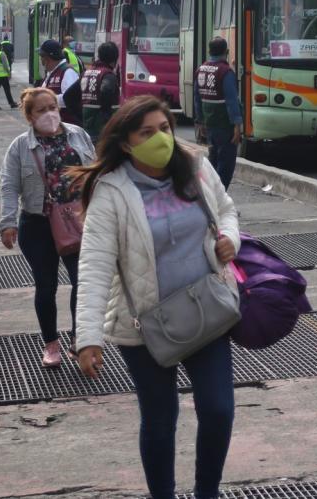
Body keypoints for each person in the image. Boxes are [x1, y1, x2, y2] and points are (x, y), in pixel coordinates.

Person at [74, 95, 240, 499]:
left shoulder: (196, 166)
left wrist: (228, 239)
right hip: (145, 324)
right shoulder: (111, 191)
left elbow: (228, 209)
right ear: (127, 143)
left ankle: (207, 492)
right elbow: (94, 266)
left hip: (207, 309)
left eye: (164, 128)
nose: (160, 138)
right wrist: (88, 337)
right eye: (146, 132)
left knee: (218, 410)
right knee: (160, 419)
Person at [0, 88, 95, 367]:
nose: (49, 114)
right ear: (29, 116)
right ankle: (51, 344)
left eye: (52, 107)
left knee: (83, 282)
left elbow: (96, 173)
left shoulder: (78, 135)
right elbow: (9, 186)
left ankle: (79, 339)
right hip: (38, 224)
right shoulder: (20, 146)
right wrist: (7, 223)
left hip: (77, 221)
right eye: (41, 110)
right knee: (46, 286)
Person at [193, 37, 243, 188]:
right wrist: (237, 126)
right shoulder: (225, 72)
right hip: (224, 125)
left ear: (209, 51)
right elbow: (231, 100)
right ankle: (220, 199)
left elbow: (197, 98)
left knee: (213, 162)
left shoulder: (201, 69)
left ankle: (211, 198)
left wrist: (200, 121)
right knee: (226, 165)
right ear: (226, 52)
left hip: (209, 125)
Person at [80, 41, 120, 141]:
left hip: (86, 127)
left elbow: (68, 96)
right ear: (114, 60)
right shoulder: (108, 74)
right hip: (101, 130)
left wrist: (79, 115)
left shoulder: (86, 73)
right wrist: (106, 115)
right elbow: (106, 90)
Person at [39, 39, 81, 125]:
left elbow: (70, 98)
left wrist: (46, 100)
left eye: (41, 56)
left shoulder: (67, 72)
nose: (41, 60)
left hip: (68, 126)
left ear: (48, 58)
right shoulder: (52, 73)